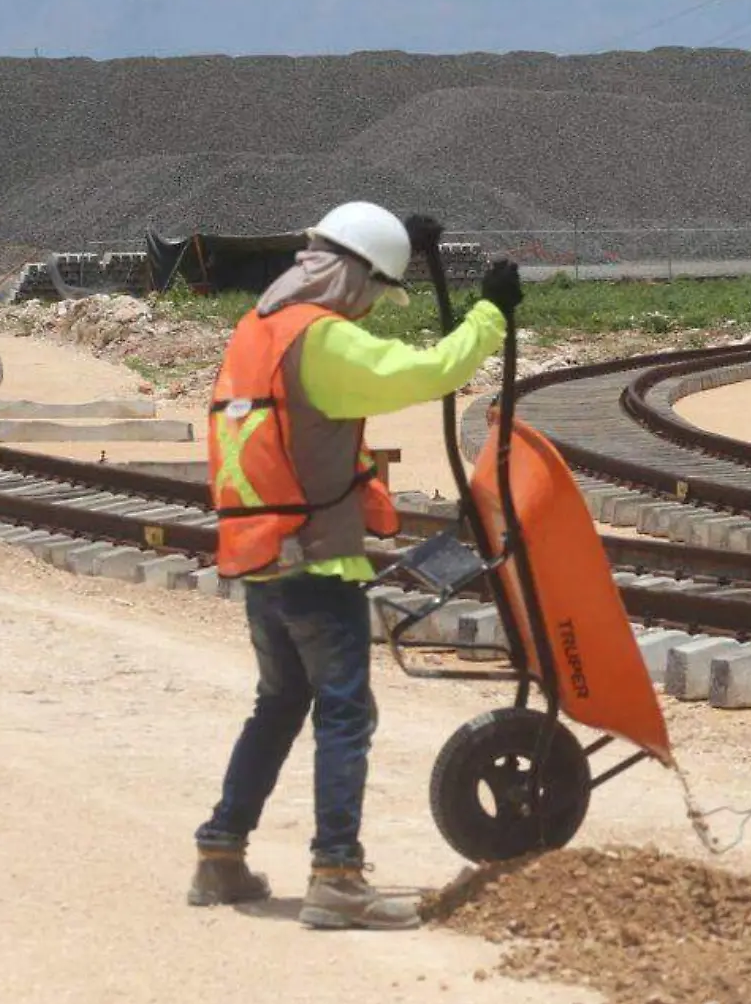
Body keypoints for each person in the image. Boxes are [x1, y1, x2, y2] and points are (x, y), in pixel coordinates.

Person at [186, 201, 523, 930]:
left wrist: (396, 245)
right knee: (345, 713)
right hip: (317, 564)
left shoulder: (259, 332)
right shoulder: (325, 345)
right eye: (372, 290)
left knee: (277, 706)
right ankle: (337, 875)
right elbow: (432, 371)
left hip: (261, 556)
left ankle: (220, 856)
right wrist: (490, 315)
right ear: (349, 279)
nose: (371, 306)